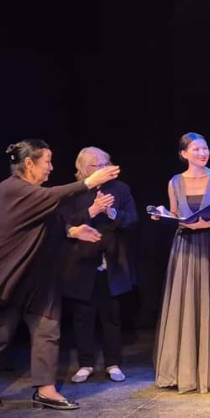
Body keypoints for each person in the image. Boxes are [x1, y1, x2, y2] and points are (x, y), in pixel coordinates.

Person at [0, 139, 119, 410]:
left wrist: (72, 230)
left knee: (47, 332)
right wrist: (88, 182)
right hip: (12, 279)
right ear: (29, 163)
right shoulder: (12, 190)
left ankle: (46, 390)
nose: (51, 167)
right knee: (2, 334)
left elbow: (50, 222)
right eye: (47, 162)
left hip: (40, 280)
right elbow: (54, 197)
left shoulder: (34, 194)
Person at [153, 132, 210, 393]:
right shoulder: (175, 182)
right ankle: (185, 371)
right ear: (184, 154)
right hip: (185, 246)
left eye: (205, 148)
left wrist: (204, 223)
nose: (203, 153)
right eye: (196, 149)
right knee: (186, 302)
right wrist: (162, 215)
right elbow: (176, 214)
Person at [59, 147, 138, 384]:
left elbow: (132, 220)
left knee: (111, 316)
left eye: (106, 164)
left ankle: (113, 363)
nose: (104, 169)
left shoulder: (121, 189)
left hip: (111, 263)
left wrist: (113, 213)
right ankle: (85, 364)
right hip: (81, 264)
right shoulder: (73, 192)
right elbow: (64, 225)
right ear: (84, 169)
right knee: (83, 317)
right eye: (98, 166)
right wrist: (92, 210)